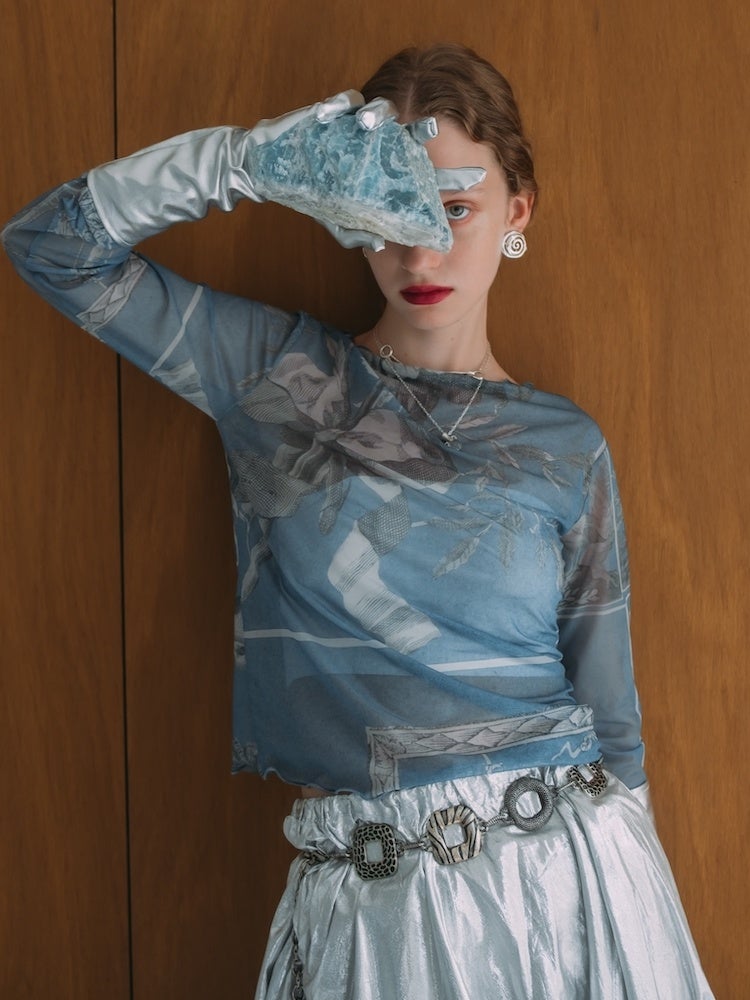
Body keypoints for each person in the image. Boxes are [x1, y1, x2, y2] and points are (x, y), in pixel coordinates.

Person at [3, 42, 712, 1000]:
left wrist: (642, 936)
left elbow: (612, 713)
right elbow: (50, 245)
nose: (419, 252)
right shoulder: (277, 379)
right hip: (377, 913)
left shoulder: (565, 443)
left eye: (453, 207)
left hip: (574, 876)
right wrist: (241, 162)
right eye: (387, 210)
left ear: (517, 210)